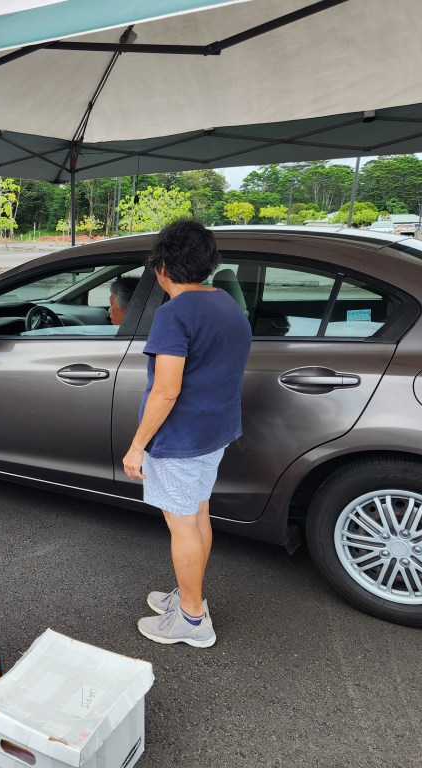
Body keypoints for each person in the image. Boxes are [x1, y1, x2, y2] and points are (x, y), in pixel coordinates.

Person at [122, 219, 251, 647]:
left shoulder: (174, 313)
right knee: (197, 514)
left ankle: (193, 619)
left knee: (182, 525)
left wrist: (137, 446)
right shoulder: (226, 303)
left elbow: (166, 390)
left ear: (161, 267)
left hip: (179, 439)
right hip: (215, 432)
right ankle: (188, 594)